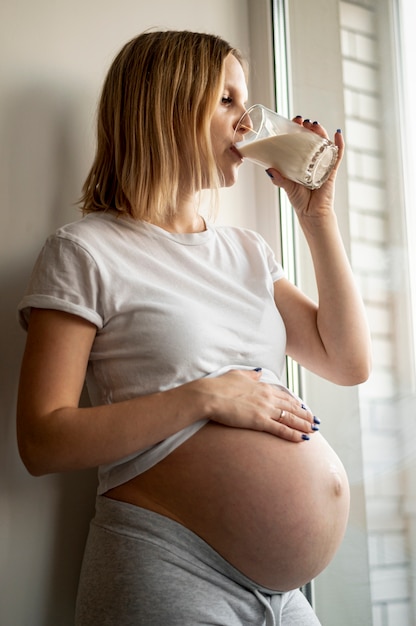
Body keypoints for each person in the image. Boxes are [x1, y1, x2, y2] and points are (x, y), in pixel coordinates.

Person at [16, 30, 371, 625]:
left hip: (284, 598)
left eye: (246, 102)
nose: (247, 124)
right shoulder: (85, 251)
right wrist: (204, 397)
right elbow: (42, 441)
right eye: (227, 100)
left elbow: (348, 361)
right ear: (167, 107)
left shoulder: (247, 251)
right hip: (169, 566)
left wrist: (318, 218)